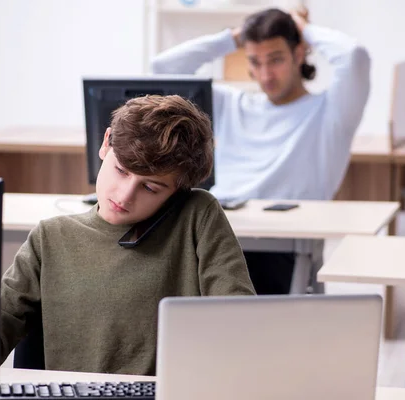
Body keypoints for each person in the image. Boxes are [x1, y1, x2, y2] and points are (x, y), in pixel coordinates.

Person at [0, 95, 255, 375]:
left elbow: (238, 324)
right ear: (106, 142)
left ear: (177, 191)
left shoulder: (197, 216)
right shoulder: (49, 238)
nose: (124, 195)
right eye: (120, 170)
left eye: (150, 188)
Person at [151, 7, 371, 295]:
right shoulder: (231, 104)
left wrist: (302, 27)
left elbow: (353, 56)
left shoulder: (331, 113)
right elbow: (163, 70)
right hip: (219, 231)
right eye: (255, 61)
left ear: (299, 53)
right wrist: (235, 37)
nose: (265, 74)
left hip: (284, 245)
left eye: (276, 59)